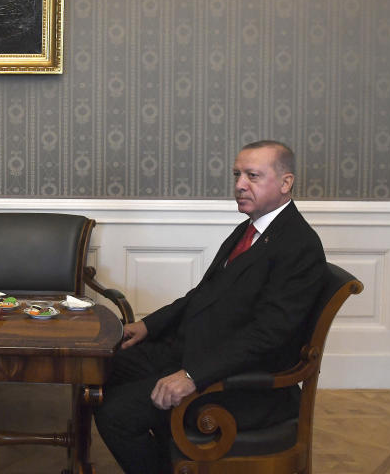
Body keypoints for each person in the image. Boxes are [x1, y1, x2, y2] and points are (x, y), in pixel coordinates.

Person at [94, 140, 327, 473]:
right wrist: (149, 326)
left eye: (252, 176)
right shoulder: (250, 229)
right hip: (194, 351)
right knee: (100, 369)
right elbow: (201, 295)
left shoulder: (298, 245)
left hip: (241, 383)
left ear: (286, 183)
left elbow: (269, 336)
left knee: (115, 414)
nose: (239, 185)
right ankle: (163, 454)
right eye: (237, 174)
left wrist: (192, 375)